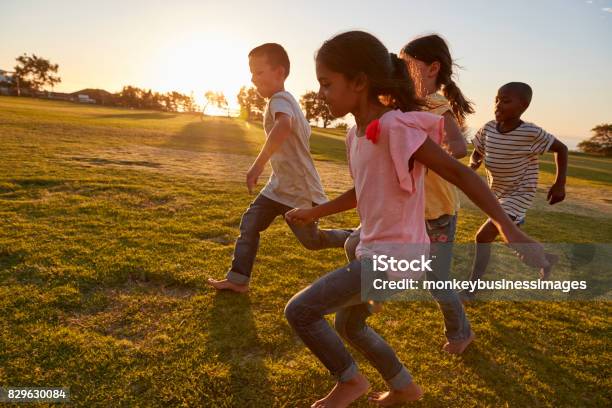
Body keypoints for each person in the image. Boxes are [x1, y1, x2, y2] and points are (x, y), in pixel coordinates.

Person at [284, 31, 550, 407]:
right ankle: (404, 388)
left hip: (395, 257)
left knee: (300, 310)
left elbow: (461, 173)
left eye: (327, 83)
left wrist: (509, 229)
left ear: (360, 81)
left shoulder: (396, 127)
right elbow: (363, 192)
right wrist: (314, 211)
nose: (322, 93)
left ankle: (350, 382)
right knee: (348, 324)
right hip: (373, 251)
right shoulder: (355, 135)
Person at [207, 43, 350, 293]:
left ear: (279, 72)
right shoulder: (288, 101)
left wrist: (257, 165)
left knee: (313, 242)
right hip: (278, 187)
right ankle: (238, 280)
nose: (253, 79)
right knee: (250, 222)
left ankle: (356, 238)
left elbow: (283, 127)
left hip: (299, 192)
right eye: (251, 73)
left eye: (259, 72)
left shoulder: (280, 100)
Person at [462, 82, 568, 302]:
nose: (499, 104)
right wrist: (474, 163)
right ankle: (546, 260)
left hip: (519, 193)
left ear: (523, 105)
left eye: (506, 101)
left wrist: (559, 184)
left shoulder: (530, 132)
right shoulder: (489, 128)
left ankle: (472, 289)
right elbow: (478, 150)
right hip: (497, 194)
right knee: (511, 239)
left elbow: (561, 148)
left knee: (483, 237)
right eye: (497, 99)